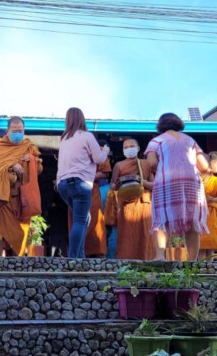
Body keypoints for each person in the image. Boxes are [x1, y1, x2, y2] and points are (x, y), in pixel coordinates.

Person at [145, 113, 209, 261]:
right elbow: (204, 166)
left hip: (167, 182)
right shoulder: (190, 140)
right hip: (192, 184)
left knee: (162, 218)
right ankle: (192, 261)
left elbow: (152, 163)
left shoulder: (156, 141)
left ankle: (160, 256)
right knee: (192, 221)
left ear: (160, 125)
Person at [56, 107, 109, 258]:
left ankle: (80, 255)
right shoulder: (87, 136)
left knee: (84, 218)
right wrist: (105, 151)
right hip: (80, 183)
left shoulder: (64, 139)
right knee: (80, 220)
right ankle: (74, 258)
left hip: (63, 185)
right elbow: (99, 159)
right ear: (82, 119)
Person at [0, 116, 42, 256]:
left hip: (19, 197)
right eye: (14, 131)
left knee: (17, 230)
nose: (17, 134)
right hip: (1, 196)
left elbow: (39, 170)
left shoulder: (29, 146)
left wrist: (32, 161)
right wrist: (12, 165)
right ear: (7, 131)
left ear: (24, 131)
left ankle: (14, 256)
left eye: (20, 131)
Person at [111, 137, 156, 260]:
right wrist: (119, 184)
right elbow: (112, 185)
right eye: (125, 147)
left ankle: (147, 260)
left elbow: (154, 184)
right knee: (127, 234)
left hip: (144, 202)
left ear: (138, 148)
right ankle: (127, 261)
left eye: (131, 146)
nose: (129, 149)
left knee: (145, 233)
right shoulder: (119, 165)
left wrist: (142, 182)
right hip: (127, 203)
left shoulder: (146, 164)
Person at [199, 152, 217, 260]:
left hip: (212, 212)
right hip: (200, 212)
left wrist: (213, 199)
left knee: (211, 242)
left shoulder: (215, 180)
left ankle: (209, 265)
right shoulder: (198, 177)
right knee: (202, 242)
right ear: (212, 163)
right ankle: (201, 265)